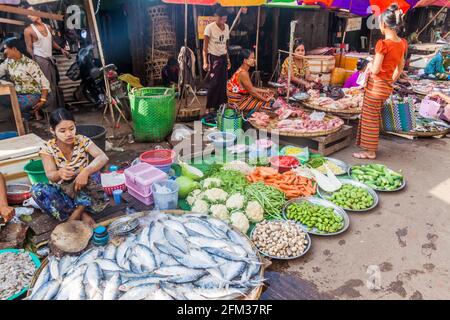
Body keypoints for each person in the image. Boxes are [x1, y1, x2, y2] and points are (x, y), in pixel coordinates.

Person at [31, 108, 109, 227]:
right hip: (65, 194)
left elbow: (103, 157)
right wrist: (59, 173)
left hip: (85, 189)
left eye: (71, 129)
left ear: (75, 126)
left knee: (94, 174)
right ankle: (81, 213)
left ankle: (77, 212)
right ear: (53, 130)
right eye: (62, 131)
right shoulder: (47, 148)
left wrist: (85, 172)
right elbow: (50, 175)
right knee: (37, 190)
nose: (69, 134)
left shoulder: (82, 140)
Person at [354, 4, 407, 160]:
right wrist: (390, 81)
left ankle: (369, 152)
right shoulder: (402, 43)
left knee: (370, 119)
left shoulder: (383, 44)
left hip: (375, 87)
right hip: (386, 87)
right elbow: (401, 67)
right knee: (374, 117)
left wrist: (369, 64)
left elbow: (376, 70)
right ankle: (368, 147)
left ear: (384, 25)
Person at [24, 6, 69, 114]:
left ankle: (56, 111)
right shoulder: (28, 30)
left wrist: (62, 50)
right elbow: (28, 47)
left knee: (53, 85)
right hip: (40, 60)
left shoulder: (48, 27)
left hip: (50, 59)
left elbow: (51, 42)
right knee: (46, 87)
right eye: (27, 15)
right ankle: (49, 112)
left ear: (38, 12)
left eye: (31, 13)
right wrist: (34, 59)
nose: (29, 16)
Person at [0, 37, 50, 120]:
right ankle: (21, 118)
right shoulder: (9, 61)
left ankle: (22, 119)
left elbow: (45, 83)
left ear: (14, 49)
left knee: (17, 106)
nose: (4, 51)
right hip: (17, 94)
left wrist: (42, 100)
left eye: (6, 48)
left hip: (32, 95)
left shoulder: (30, 64)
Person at [227, 49, 274, 114]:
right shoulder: (243, 73)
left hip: (238, 97)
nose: (254, 60)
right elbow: (252, 92)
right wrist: (265, 100)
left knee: (266, 94)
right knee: (267, 102)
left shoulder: (242, 70)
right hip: (237, 102)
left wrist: (266, 91)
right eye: (252, 58)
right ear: (245, 61)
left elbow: (250, 88)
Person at [203, 7, 231, 113]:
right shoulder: (209, 28)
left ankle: (220, 105)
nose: (222, 21)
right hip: (214, 57)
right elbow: (204, 48)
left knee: (223, 82)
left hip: (223, 57)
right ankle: (208, 106)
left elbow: (225, 45)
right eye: (220, 19)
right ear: (215, 17)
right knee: (214, 82)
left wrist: (228, 59)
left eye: (224, 19)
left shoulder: (227, 27)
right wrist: (205, 61)